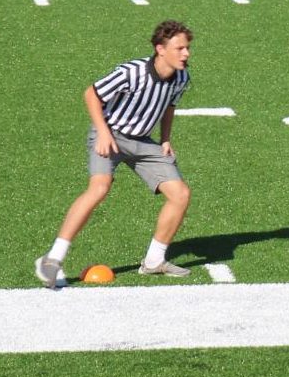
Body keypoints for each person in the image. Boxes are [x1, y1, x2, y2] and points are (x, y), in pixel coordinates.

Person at [35, 20, 195, 288]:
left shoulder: (181, 77)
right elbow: (91, 94)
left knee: (181, 194)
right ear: (160, 49)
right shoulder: (131, 72)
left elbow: (169, 107)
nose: (186, 53)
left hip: (142, 141)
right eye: (179, 48)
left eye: (187, 48)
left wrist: (166, 139)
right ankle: (52, 259)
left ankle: (154, 261)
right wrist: (103, 132)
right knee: (99, 188)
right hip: (110, 133)